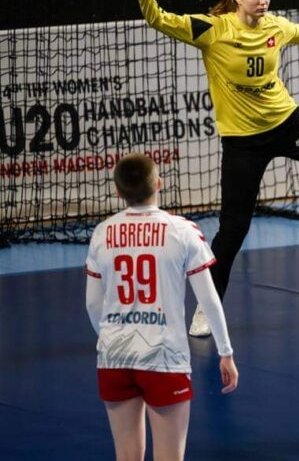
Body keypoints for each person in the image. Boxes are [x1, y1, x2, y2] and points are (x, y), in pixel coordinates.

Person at [113, 0, 299, 337]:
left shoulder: (276, 27)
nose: (263, 0)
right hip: (243, 144)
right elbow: (160, 19)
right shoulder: (213, 30)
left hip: (287, 123)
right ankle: (207, 308)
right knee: (232, 231)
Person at [85, 153, 239, 461]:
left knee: (126, 456)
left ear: (118, 192)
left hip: (114, 358)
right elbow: (208, 298)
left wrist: (111, 338)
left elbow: (92, 302)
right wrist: (225, 352)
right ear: (159, 183)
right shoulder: (182, 231)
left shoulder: (102, 232)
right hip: (164, 358)